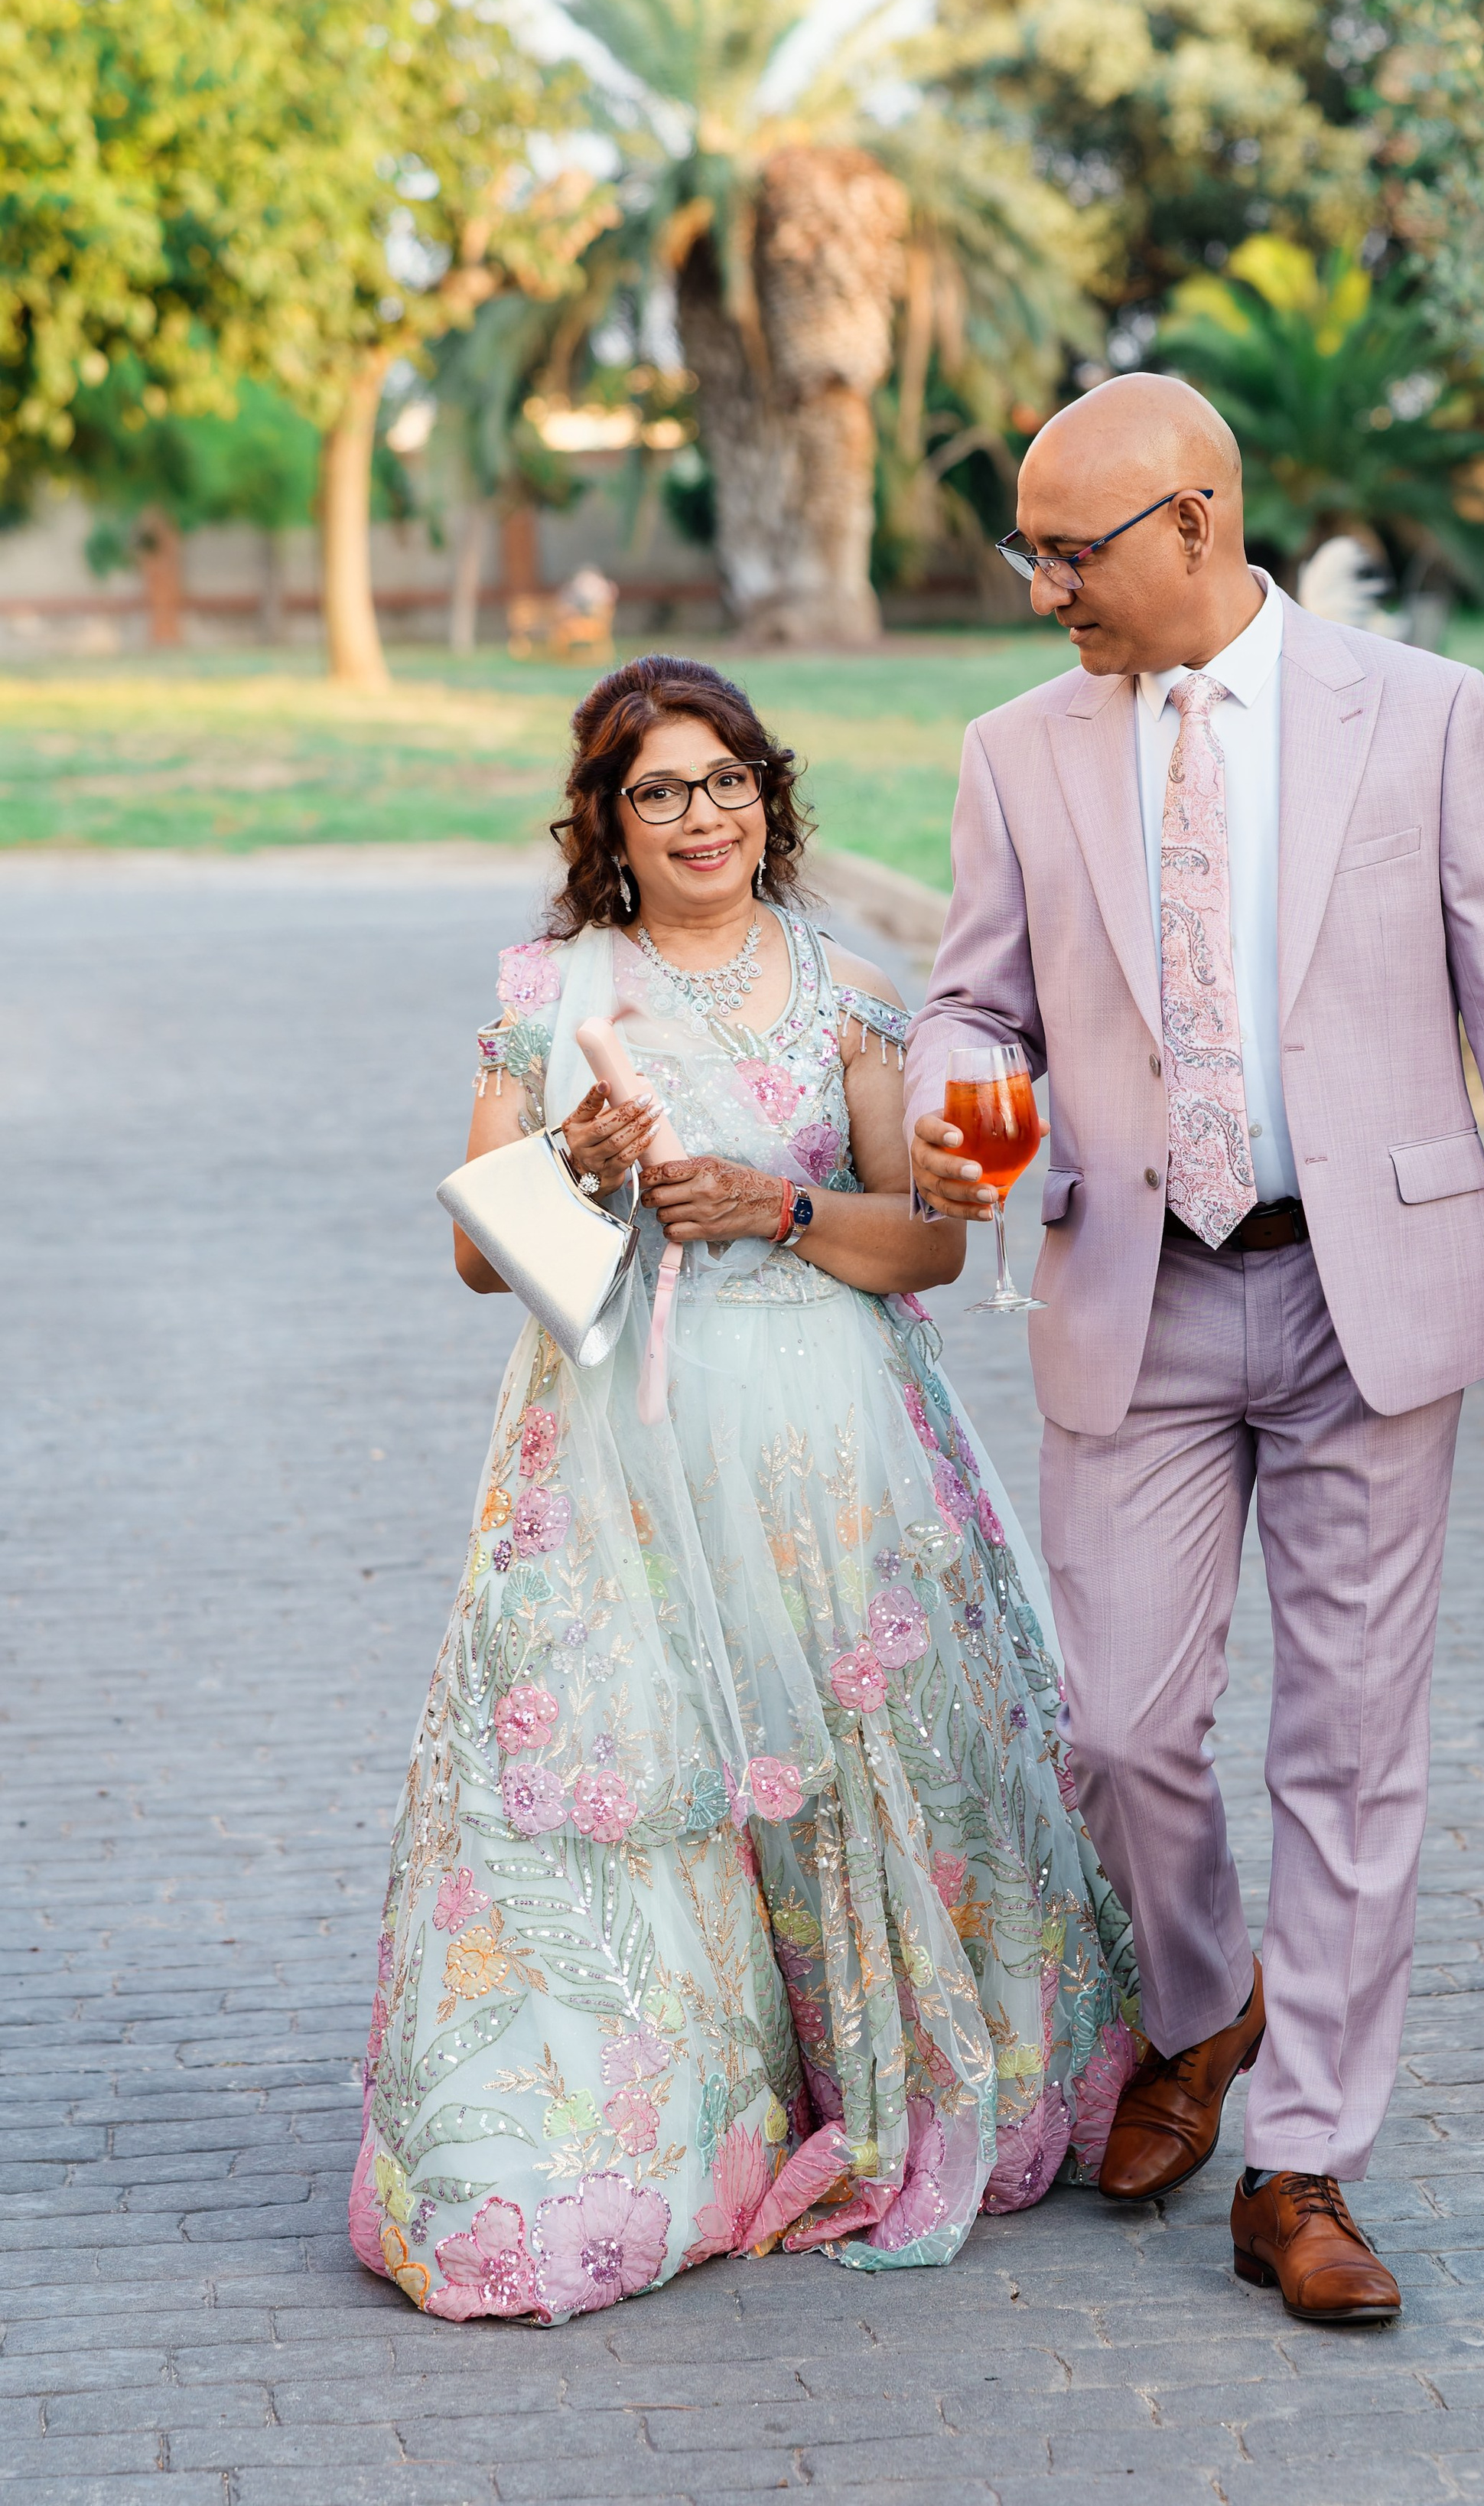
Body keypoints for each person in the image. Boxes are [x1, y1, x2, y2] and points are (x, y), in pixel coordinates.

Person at [906, 375, 1484, 2326]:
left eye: (1067, 552)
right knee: (1120, 1729)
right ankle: (1201, 1998)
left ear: (1192, 519)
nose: (1042, 588)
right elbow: (972, 997)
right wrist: (966, 1095)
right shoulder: (1012, 750)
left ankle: (1303, 2158)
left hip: (1368, 1296)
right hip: (1130, 1288)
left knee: (1348, 1749)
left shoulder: (1417, 713)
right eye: (1028, 550)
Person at [350, 657, 1137, 2323]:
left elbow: (925, 1235)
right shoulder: (553, 990)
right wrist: (577, 1167)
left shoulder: (843, 984)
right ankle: (643, 2120)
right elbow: (477, 1264)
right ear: (607, 822)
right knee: (631, 1770)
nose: (702, 815)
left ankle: (893, 2068)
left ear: (768, 797)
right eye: (661, 790)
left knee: (867, 1756)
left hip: (829, 1437)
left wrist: (772, 1213)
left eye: (727, 782)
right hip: (619, 1452)